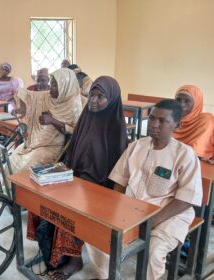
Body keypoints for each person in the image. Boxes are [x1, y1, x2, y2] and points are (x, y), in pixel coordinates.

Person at [86, 100, 203, 280]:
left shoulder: (185, 154)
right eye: (152, 118)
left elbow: (186, 199)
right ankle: (105, 276)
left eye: (162, 121)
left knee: (154, 251)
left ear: (177, 125)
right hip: (133, 208)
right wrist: (113, 211)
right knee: (97, 232)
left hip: (168, 213)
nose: (154, 125)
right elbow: (120, 181)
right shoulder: (136, 146)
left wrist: (153, 221)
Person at [27, 76, 128, 280]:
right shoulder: (86, 118)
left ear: (112, 100)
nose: (93, 100)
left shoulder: (115, 128)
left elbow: (116, 174)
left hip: (100, 186)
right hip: (76, 176)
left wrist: (83, 183)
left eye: (101, 97)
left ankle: (74, 259)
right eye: (92, 94)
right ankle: (53, 252)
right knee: (38, 198)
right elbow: (74, 151)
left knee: (71, 210)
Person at [11, 68, 82, 174]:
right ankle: (10, 189)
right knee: (12, 159)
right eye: (51, 84)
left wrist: (52, 120)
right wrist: (21, 108)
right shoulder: (47, 96)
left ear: (64, 88)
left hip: (52, 146)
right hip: (36, 141)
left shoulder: (73, 106)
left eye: (54, 85)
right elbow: (27, 94)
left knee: (24, 167)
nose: (50, 89)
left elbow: (75, 132)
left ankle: (22, 189)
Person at [173, 85, 214, 162]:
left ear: (197, 103)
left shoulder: (206, 120)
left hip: (198, 162)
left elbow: (194, 151)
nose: (181, 105)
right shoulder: (171, 117)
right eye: (178, 100)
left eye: (187, 101)